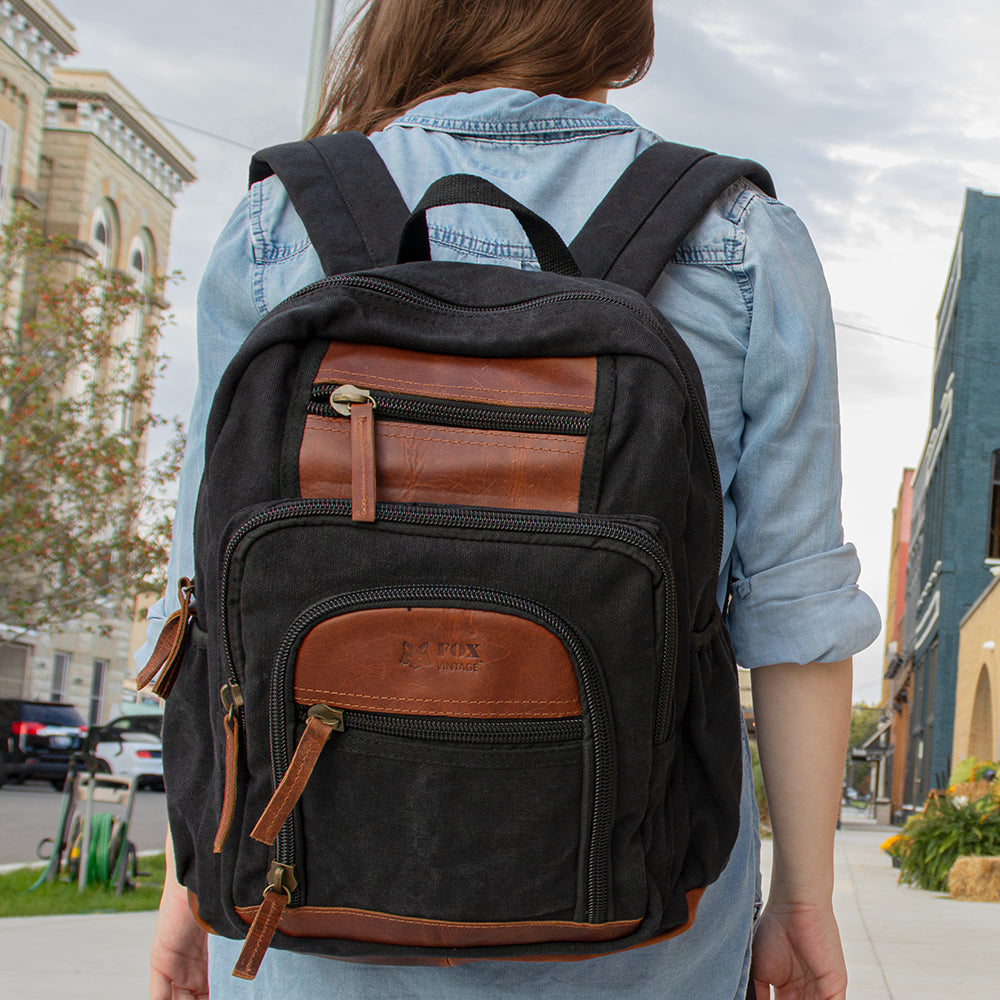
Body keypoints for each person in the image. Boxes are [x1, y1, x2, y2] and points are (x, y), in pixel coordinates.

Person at [146, 2, 881, 998]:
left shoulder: (283, 219)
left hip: (310, 907)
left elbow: (208, 589)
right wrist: (803, 896)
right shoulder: (735, 236)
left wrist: (189, 882)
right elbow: (793, 613)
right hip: (643, 931)